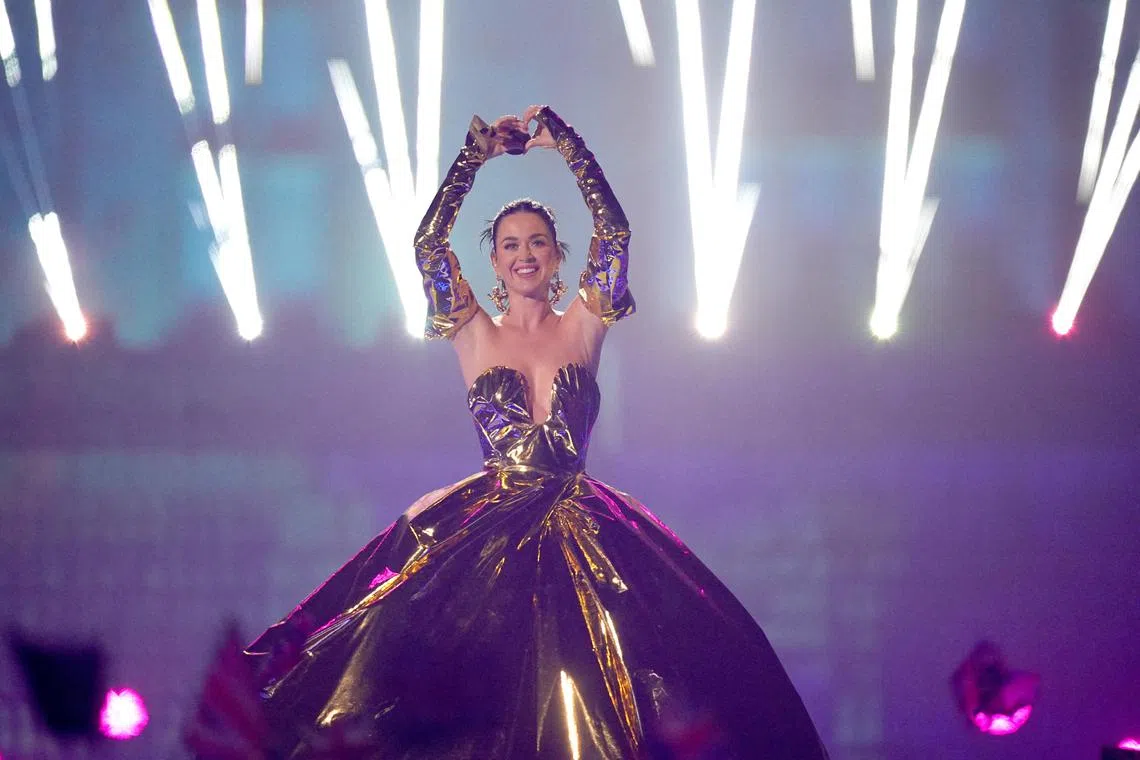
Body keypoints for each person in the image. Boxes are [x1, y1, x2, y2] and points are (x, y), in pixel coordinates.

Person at [243, 105, 829, 759]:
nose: (525, 256)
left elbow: (616, 232)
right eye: (511, 246)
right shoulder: (474, 332)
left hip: (584, 534)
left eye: (538, 244)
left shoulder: (583, 324)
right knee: (466, 685)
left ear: (556, 257)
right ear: (493, 262)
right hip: (489, 534)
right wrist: (474, 159)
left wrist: (569, 147)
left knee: (602, 687)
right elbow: (427, 248)